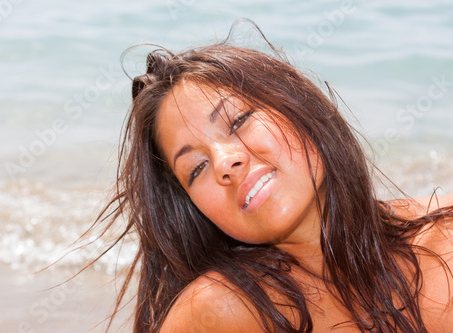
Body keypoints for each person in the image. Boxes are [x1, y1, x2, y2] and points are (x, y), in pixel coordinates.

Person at [90, 29, 453, 332]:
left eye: (238, 121)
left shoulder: (446, 236)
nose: (224, 162)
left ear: (299, 107)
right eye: (196, 169)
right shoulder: (219, 313)